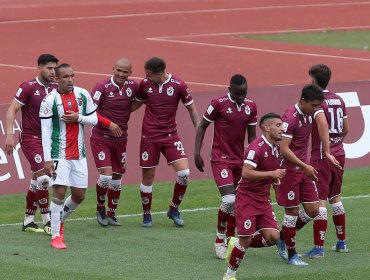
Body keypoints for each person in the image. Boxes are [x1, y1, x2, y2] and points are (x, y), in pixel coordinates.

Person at [194, 74, 257, 259]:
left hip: (240, 160)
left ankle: (230, 238)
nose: (241, 97)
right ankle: (219, 239)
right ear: (229, 90)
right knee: (229, 200)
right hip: (220, 158)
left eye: (243, 94)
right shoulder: (218, 103)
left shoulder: (251, 106)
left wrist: (254, 159)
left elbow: (252, 137)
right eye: (237, 94)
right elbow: (202, 126)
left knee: (238, 202)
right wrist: (197, 152)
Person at [135, 57, 200, 228]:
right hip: (149, 137)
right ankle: (147, 214)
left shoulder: (178, 84)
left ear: (160, 74)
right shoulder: (144, 85)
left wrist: (199, 132)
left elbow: (192, 110)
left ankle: (174, 209)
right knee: (148, 177)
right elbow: (135, 104)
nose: (146, 78)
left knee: (184, 173)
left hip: (170, 136)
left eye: (149, 75)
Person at [40, 63, 98, 249]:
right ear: (56, 79)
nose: (70, 80)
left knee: (79, 195)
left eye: (72, 76)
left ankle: (60, 220)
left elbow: (95, 119)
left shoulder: (83, 94)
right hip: (59, 154)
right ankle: (56, 236)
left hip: (79, 155)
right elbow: (45, 131)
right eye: (66, 77)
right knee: (59, 192)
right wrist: (47, 159)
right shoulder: (49, 100)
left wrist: (78, 118)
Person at [223, 113, 286, 280]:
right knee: (246, 241)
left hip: (263, 199)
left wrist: (274, 180)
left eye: (282, 125)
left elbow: (268, 172)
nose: (282, 129)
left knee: (273, 237)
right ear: (267, 128)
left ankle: (235, 243)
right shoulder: (255, 147)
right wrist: (272, 173)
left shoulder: (276, 147)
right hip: (247, 199)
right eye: (278, 125)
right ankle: (229, 275)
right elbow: (246, 172)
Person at [5, 54, 59, 235]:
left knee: (36, 181)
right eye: (49, 68)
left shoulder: (56, 88)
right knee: (44, 177)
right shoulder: (28, 87)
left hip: (49, 140)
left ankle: (28, 220)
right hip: (31, 138)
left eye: (54, 68)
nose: (53, 72)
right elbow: (12, 109)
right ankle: (47, 220)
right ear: (40, 68)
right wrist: (10, 135)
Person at [302, 64, 349, 258]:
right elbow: (345, 128)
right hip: (339, 153)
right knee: (335, 197)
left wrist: (326, 148)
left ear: (313, 80)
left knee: (320, 200)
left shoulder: (317, 102)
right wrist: (336, 144)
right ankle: (341, 242)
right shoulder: (339, 99)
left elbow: (321, 125)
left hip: (322, 156)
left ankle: (318, 248)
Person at [277, 84, 324, 265]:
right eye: (313, 105)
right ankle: (291, 254)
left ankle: (283, 237)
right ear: (303, 101)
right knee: (292, 213)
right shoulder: (290, 118)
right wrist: (305, 166)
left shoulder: (308, 115)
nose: (316, 109)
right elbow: (283, 149)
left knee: (313, 210)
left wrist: (306, 167)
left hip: (303, 170)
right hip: (289, 172)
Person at [90, 58, 139, 227]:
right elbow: (90, 112)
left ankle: (112, 213)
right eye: (118, 70)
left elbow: (140, 100)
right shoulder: (101, 87)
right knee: (106, 175)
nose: (121, 74)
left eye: (125, 72)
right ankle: (100, 209)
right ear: (113, 69)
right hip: (100, 137)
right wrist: (108, 124)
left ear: (130, 73)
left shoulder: (133, 87)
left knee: (117, 176)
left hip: (121, 138)